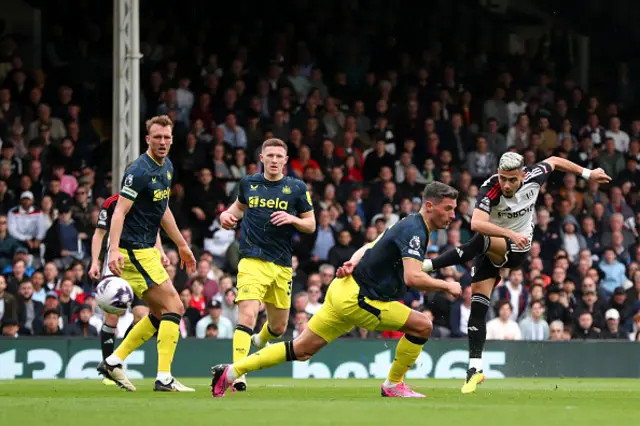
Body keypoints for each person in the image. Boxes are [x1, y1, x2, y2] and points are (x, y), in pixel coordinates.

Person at [211, 182, 462, 398]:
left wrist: (352, 260)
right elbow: (413, 276)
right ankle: (393, 384)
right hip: (360, 298)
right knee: (423, 326)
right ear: (429, 206)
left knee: (301, 349)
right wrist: (447, 285)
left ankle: (231, 371)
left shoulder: (407, 223)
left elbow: (370, 245)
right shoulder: (415, 230)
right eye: (448, 208)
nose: (453, 215)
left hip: (342, 291)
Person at [422, 152, 611, 394]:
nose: (507, 184)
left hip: (517, 248)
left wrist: (588, 174)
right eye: (503, 178)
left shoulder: (534, 176)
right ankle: (475, 369)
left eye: (512, 179)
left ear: (522, 175)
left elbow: (554, 160)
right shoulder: (491, 188)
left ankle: (427, 265)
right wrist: (508, 232)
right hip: (495, 242)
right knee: (478, 305)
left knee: (482, 240)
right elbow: (476, 223)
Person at [97, 115, 197, 392]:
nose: (162, 142)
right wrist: (114, 249)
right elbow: (119, 212)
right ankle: (163, 377)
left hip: (147, 250)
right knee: (174, 307)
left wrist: (181, 245)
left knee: (158, 313)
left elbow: (162, 210)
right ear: (147, 139)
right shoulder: (139, 170)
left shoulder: (167, 168)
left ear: (172, 139)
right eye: (157, 137)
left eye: (167, 137)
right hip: (133, 251)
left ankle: (114, 361)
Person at [218, 138, 316, 391]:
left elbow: (311, 224)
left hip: (282, 264)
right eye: (269, 155)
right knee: (248, 315)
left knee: (278, 327)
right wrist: (225, 216)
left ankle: (259, 340)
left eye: (278, 156)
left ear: (285, 160)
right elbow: (236, 210)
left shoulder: (296, 188)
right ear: (261, 158)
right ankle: (237, 373)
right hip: (251, 259)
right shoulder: (248, 183)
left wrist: (292, 218)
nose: (274, 160)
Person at [88, 192, 168, 386]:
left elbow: (154, 231)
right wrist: (94, 262)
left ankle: (116, 361)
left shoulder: (149, 202)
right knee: (112, 315)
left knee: (142, 316)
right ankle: (109, 371)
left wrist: (161, 252)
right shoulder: (112, 203)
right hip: (115, 264)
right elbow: (99, 234)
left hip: (140, 264)